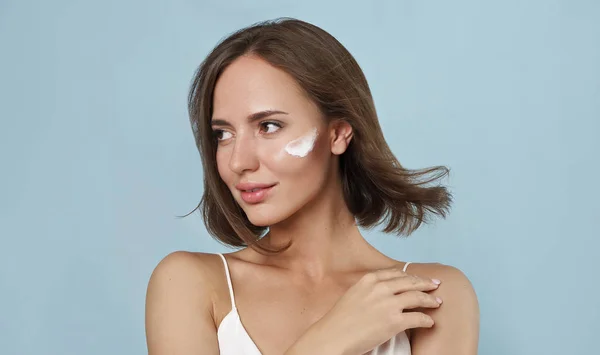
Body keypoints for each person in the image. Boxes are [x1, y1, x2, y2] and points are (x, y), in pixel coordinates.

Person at [145, 17, 479, 355]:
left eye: (269, 126)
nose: (238, 162)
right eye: (223, 134)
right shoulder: (191, 283)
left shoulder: (428, 296)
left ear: (337, 134)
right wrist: (333, 338)